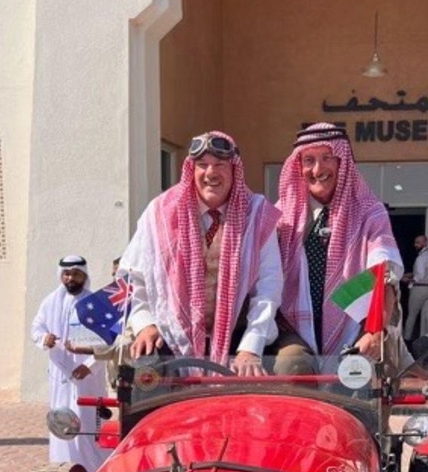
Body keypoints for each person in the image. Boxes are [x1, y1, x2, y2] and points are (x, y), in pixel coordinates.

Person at [117, 130, 315, 376]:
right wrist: (145, 324)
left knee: (294, 362)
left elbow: (268, 288)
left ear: (234, 170)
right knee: (142, 367)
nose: (210, 173)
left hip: (240, 331)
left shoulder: (257, 215)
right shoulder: (159, 213)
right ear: (192, 169)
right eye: (202, 165)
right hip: (174, 332)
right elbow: (132, 278)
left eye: (220, 164)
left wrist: (250, 348)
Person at [277, 122, 409, 372]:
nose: (317, 169)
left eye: (327, 158)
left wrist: (373, 331)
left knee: (357, 387)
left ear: (341, 162)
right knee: (290, 366)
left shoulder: (370, 213)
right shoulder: (282, 215)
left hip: (355, 330)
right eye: (309, 160)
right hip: (295, 330)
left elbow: (385, 276)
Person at [30, 254, 107, 472]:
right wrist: (44, 339)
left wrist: (89, 365)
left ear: (84, 275)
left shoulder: (95, 304)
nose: (70, 278)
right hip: (60, 375)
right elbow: (37, 328)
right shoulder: (50, 302)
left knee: (86, 424)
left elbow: (107, 341)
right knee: (60, 422)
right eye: (66, 274)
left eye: (75, 273)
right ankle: (63, 471)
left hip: (87, 377)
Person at [403, 234, 428, 343]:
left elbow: (420, 276)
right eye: (416, 242)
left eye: (418, 242)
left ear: (425, 243)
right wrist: (412, 274)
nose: (416, 245)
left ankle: (406, 338)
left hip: (419, 289)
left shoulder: (420, 258)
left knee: (412, 315)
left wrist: (407, 279)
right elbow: (426, 273)